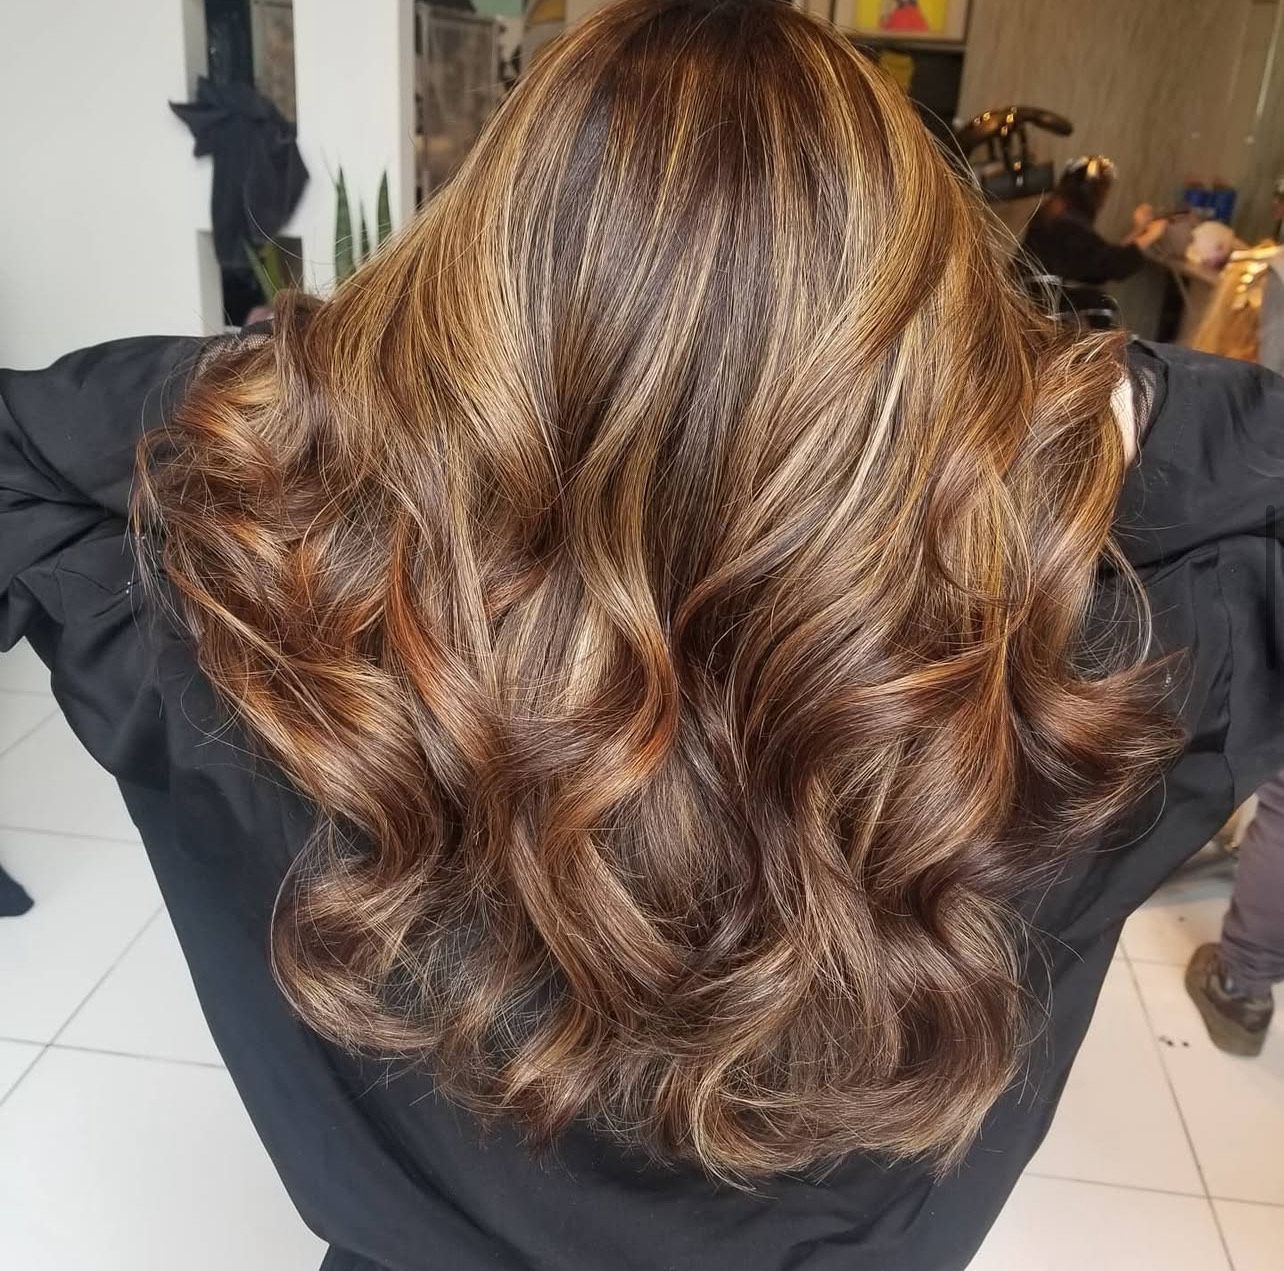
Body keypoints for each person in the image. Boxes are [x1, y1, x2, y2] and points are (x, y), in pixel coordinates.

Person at [2, 2, 1284, 1268]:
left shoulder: (269, 654)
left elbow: (31, 445)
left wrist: (326, 399)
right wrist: (1095, 409)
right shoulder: (1119, 678)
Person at [1023, 155, 1169, 288]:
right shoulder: (1069, 228)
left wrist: (1138, 230)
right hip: (1032, 306)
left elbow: (1100, 261)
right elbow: (1113, 265)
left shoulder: (1050, 214)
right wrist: (1150, 236)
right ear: (1096, 194)